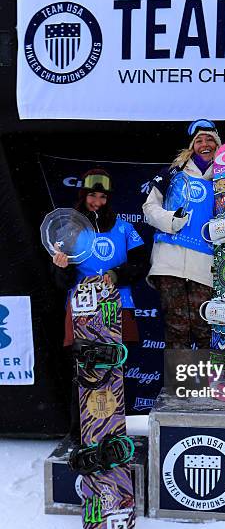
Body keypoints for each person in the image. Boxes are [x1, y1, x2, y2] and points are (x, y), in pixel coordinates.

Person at [51, 168, 149, 442]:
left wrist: (117, 275)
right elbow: (61, 281)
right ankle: (80, 436)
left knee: (115, 370)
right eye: (92, 195)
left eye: (102, 197)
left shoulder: (124, 228)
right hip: (82, 309)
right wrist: (61, 268)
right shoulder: (68, 232)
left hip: (118, 306)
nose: (96, 202)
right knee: (84, 372)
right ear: (82, 197)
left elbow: (141, 265)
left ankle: (114, 433)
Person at [142, 119, 222, 349]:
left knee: (205, 330)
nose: (204, 144)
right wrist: (169, 220)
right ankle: (180, 386)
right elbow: (149, 207)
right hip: (170, 262)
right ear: (191, 146)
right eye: (199, 140)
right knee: (177, 330)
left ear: (218, 145)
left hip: (205, 266)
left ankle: (209, 385)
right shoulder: (173, 172)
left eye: (210, 140)